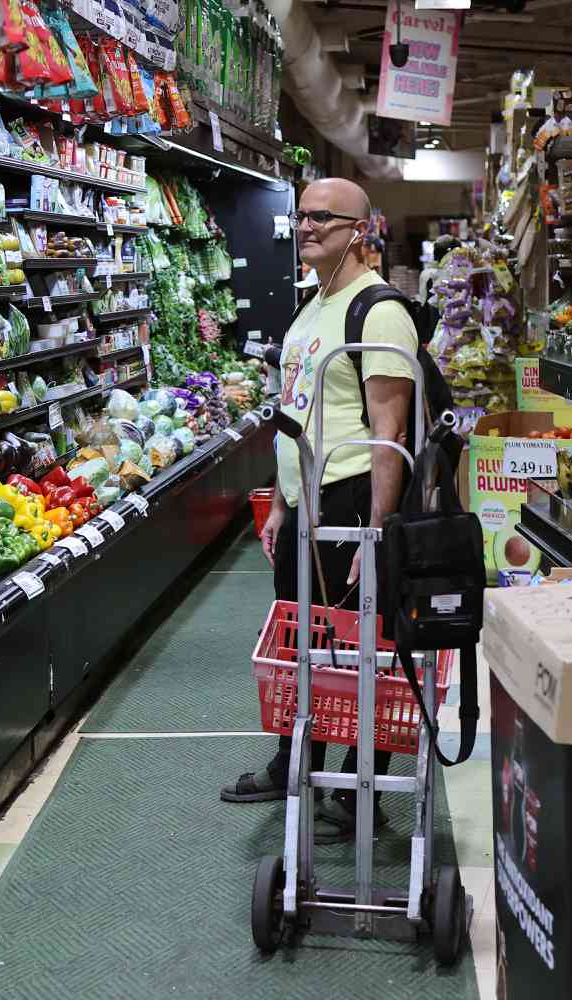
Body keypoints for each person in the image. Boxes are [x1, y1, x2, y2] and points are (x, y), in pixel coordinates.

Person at [220, 178, 418, 845]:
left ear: (358, 230)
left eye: (322, 218)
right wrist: (280, 502)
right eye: (300, 215)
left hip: (355, 496)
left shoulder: (379, 310)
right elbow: (297, 413)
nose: (305, 226)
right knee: (301, 641)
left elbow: (391, 429)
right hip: (305, 501)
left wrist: (379, 530)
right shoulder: (310, 310)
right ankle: (293, 762)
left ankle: (359, 791)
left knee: (363, 647)